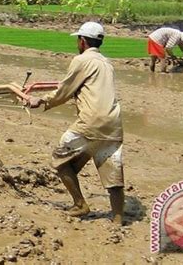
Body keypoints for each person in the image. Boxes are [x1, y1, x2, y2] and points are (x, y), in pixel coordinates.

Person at [29, 22, 124, 225]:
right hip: (113, 123)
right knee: (113, 175)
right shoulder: (107, 63)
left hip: (90, 122)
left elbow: (65, 91)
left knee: (60, 160)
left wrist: (41, 100)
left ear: (82, 41)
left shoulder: (81, 60)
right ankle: (118, 220)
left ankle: (80, 204)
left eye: (77, 40)